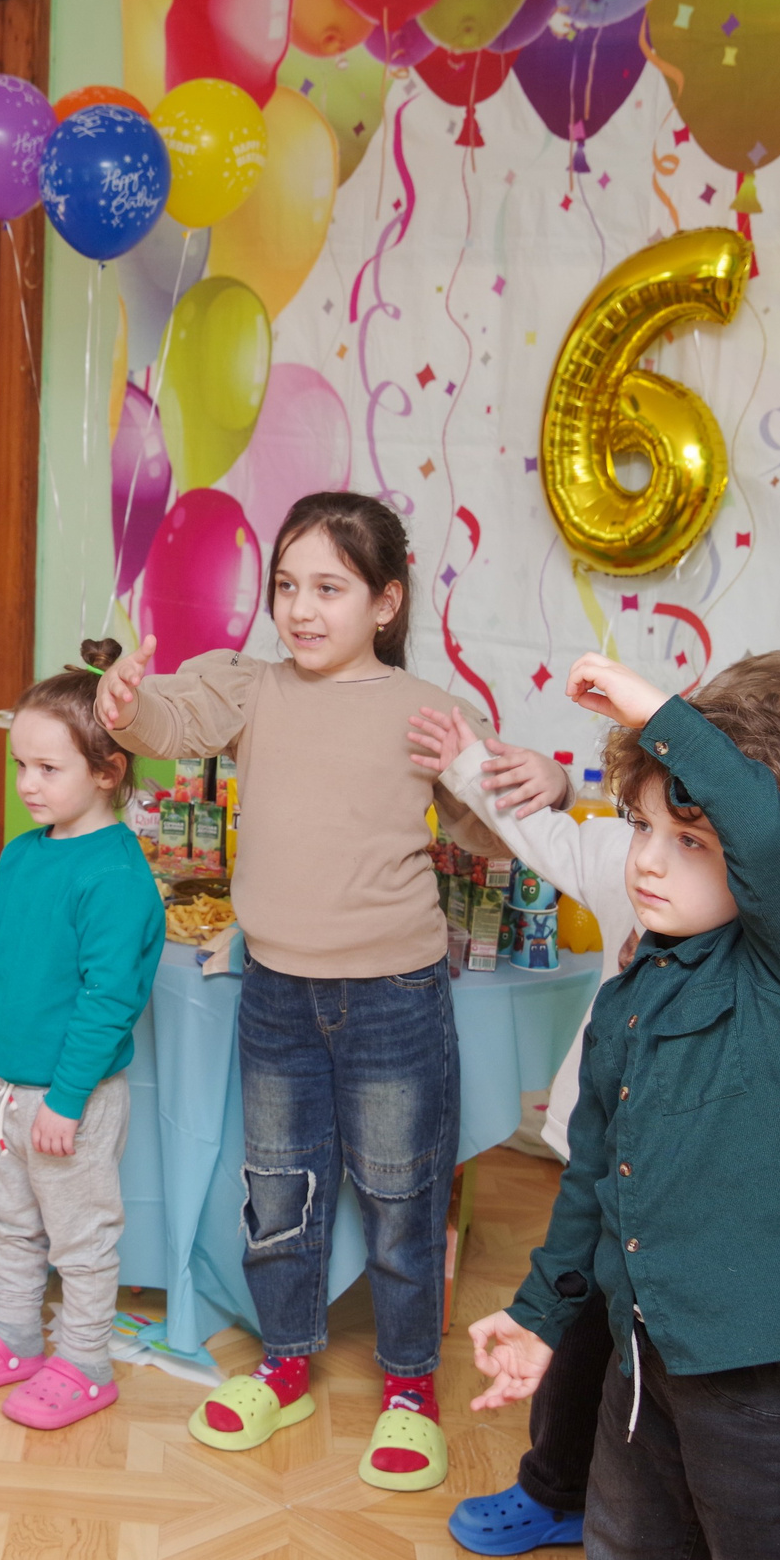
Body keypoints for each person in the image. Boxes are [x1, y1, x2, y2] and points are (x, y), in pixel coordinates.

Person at [409, 653, 780, 1560]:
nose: (656, 850)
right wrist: (477, 767)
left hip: (716, 1258)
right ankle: (568, 1501)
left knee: (708, 1437)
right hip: (611, 1204)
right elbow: (545, 834)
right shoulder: (652, 867)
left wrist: (655, 712)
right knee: (587, 1358)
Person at [95, 490, 504, 1493]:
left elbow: (488, 834)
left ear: (384, 601)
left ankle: (409, 1383)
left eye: (329, 587)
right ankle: (285, 1357)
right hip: (276, 989)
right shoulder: (256, 689)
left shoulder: (425, 714)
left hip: (395, 997)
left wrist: (510, 781)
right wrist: (124, 701)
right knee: (278, 1187)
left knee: (402, 1198)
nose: (301, 609)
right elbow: (175, 718)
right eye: (286, 586)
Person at [0, 642, 166, 1429]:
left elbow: (108, 1005)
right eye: (20, 766)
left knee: (82, 1238)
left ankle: (87, 1364)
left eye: (48, 769)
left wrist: (64, 1102)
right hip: (3, 1089)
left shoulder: (117, 878)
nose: (28, 784)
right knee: (11, 1225)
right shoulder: (24, 855)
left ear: (107, 771)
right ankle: (17, 1338)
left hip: (70, 1102)